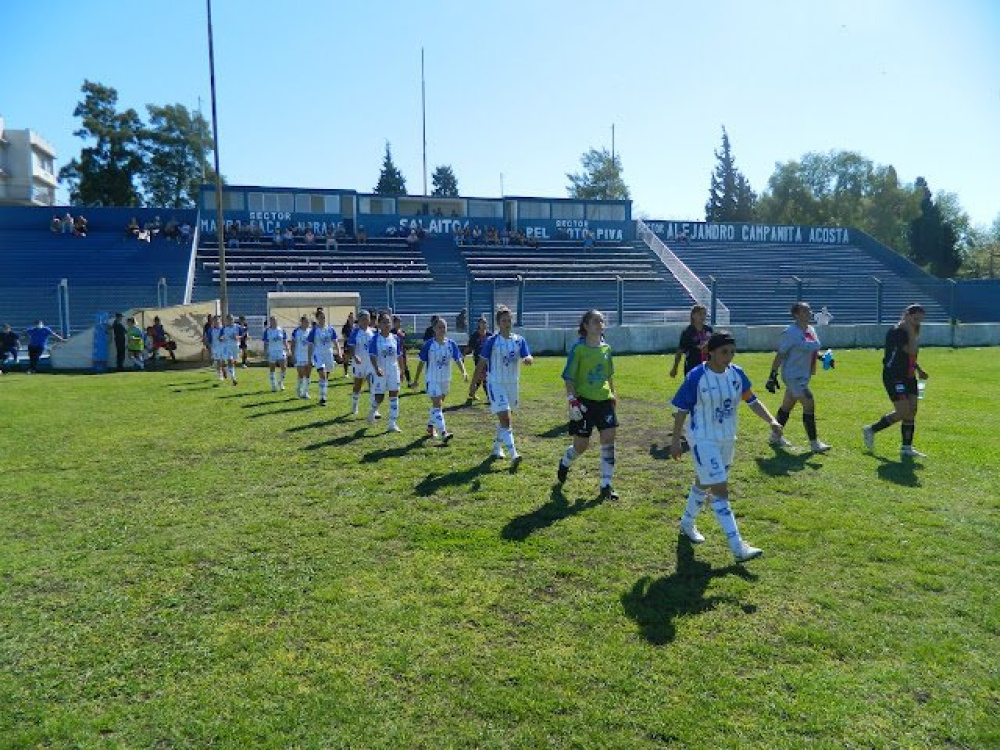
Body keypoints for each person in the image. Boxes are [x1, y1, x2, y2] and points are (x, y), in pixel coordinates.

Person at [669, 331, 783, 563]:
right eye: (724, 352)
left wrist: (771, 420)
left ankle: (687, 523)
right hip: (703, 439)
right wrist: (675, 440)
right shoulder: (697, 376)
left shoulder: (737, 374)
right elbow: (681, 410)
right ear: (711, 352)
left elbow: (752, 400)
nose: (729, 356)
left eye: (732, 352)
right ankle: (738, 547)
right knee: (720, 489)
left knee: (704, 482)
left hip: (727, 439)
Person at [556, 310, 620, 500]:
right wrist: (572, 401)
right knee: (581, 446)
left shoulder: (606, 349)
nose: (600, 324)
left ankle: (606, 485)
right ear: (586, 326)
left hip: (604, 400)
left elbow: (609, 375)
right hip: (584, 402)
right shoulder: (579, 349)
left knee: (608, 439)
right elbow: (569, 377)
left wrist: (613, 395)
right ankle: (565, 461)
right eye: (595, 321)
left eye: (602, 321)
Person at [862, 304, 929, 458]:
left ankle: (906, 448)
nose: (918, 322)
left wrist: (919, 369)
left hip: (909, 376)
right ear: (907, 315)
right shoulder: (897, 331)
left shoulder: (910, 330)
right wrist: (911, 330)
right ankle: (871, 430)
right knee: (903, 411)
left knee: (912, 410)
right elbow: (911, 350)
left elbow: (909, 357)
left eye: (920, 320)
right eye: (915, 318)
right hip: (894, 376)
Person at [765, 302, 831, 452]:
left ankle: (775, 436)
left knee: (787, 405)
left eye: (809, 310)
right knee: (809, 402)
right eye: (805, 311)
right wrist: (772, 375)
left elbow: (812, 350)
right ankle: (814, 443)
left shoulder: (811, 330)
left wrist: (823, 358)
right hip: (793, 375)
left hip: (804, 375)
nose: (809, 313)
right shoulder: (790, 332)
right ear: (796, 315)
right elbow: (781, 354)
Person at [472, 305, 533, 462]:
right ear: (498, 323)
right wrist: (473, 384)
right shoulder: (492, 341)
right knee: (506, 418)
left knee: (504, 419)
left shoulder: (519, 340)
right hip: (495, 383)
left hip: (512, 384)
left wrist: (528, 359)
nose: (507, 323)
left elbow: (527, 355)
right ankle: (514, 454)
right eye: (503, 320)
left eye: (509, 320)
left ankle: (496, 448)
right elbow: (481, 364)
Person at [409, 317, 468, 441]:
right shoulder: (429, 345)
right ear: (434, 329)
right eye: (439, 327)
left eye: (444, 327)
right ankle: (443, 433)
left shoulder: (451, 344)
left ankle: (430, 426)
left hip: (445, 379)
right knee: (438, 405)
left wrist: (464, 372)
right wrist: (416, 380)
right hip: (432, 379)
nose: (442, 329)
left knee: (437, 406)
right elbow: (421, 363)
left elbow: (457, 359)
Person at [367, 312, 406, 432]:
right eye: (384, 322)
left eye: (389, 322)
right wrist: (376, 368)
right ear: (379, 324)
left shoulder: (395, 338)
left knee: (394, 395)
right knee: (379, 397)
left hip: (393, 370)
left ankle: (392, 424)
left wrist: (402, 370)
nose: (387, 324)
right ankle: (372, 411)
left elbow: (399, 355)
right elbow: (372, 356)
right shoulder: (375, 339)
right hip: (380, 371)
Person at [307, 309, 342, 406]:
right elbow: (310, 345)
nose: (323, 319)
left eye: (324, 317)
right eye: (321, 318)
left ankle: (323, 391)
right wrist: (309, 358)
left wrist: (339, 352)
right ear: (317, 319)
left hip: (328, 354)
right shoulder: (314, 331)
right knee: (322, 375)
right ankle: (323, 397)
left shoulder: (330, 329)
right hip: (318, 354)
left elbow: (335, 342)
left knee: (326, 376)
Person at [670, 304, 713, 378]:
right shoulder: (688, 332)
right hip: (692, 365)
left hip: (708, 365)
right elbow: (680, 350)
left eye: (704, 314)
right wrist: (675, 367)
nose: (703, 316)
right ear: (693, 315)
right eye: (700, 314)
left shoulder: (709, 330)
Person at [347, 310, 375, 415]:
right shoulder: (355, 332)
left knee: (372, 384)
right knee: (358, 385)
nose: (365, 321)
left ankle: (374, 409)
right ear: (359, 320)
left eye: (367, 319)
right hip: (359, 363)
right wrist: (355, 356)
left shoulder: (373, 332)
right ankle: (354, 405)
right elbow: (351, 346)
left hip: (370, 363)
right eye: (363, 319)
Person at [262, 315, 290, 393]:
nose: (273, 322)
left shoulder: (281, 330)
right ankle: (273, 385)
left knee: (284, 367)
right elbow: (265, 343)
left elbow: (284, 340)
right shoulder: (267, 331)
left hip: (280, 351)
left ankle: (280, 382)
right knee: (272, 369)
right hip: (272, 351)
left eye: (274, 320)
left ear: (277, 321)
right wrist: (265, 352)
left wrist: (288, 349)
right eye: (272, 321)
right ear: (270, 322)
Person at [466, 316, 490, 401]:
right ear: (478, 324)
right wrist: (464, 353)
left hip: (488, 360)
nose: (483, 324)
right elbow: (470, 347)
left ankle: (472, 392)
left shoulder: (489, 335)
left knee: (480, 377)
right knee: (485, 377)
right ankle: (489, 397)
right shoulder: (475, 335)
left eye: (485, 322)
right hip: (478, 359)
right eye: (482, 323)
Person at [291, 315, 314, 399]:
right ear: (301, 322)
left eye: (308, 322)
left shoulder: (311, 331)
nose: (307, 323)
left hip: (309, 355)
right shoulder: (296, 331)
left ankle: (305, 392)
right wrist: (293, 355)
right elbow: (293, 344)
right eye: (305, 322)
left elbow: (313, 344)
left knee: (308, 374)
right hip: (299, 355)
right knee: (301, 374)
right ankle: (299, 390)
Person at [219, 314, 241, 385]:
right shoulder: (224, 328)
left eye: (231, 319)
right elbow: (220, 338)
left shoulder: (237, 327)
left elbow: (242, 334)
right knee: (230, 361)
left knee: (234, 362)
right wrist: (222, 339)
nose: (230, 321)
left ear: (233, 320)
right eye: (228, 320)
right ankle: (233, 379)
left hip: (235, 346)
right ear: (226, 321)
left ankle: (226, 369)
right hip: (227, 347)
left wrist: (237, 337)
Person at [390, 315, 411, 383]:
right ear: (394, 323)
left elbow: (404, 340)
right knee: (395, 366)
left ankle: (409, 382)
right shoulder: (391, 332)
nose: (399, 323)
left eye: (400, 322)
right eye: (398, 322)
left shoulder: (402, 331)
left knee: (405, 366)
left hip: (402, 351)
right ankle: (395, 380)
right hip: (395, 351)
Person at [340, 311, 356, 376]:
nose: (351, 319)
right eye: (350, 317)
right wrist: (350, 339)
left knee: (355, 359)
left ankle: (355, 372)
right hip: (347, 344)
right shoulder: (345, 327)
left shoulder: (355, 327)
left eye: (352, 318)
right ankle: (346, 373)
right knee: (346, 359)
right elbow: (344, 336)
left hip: (355, 345)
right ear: (348, 318)